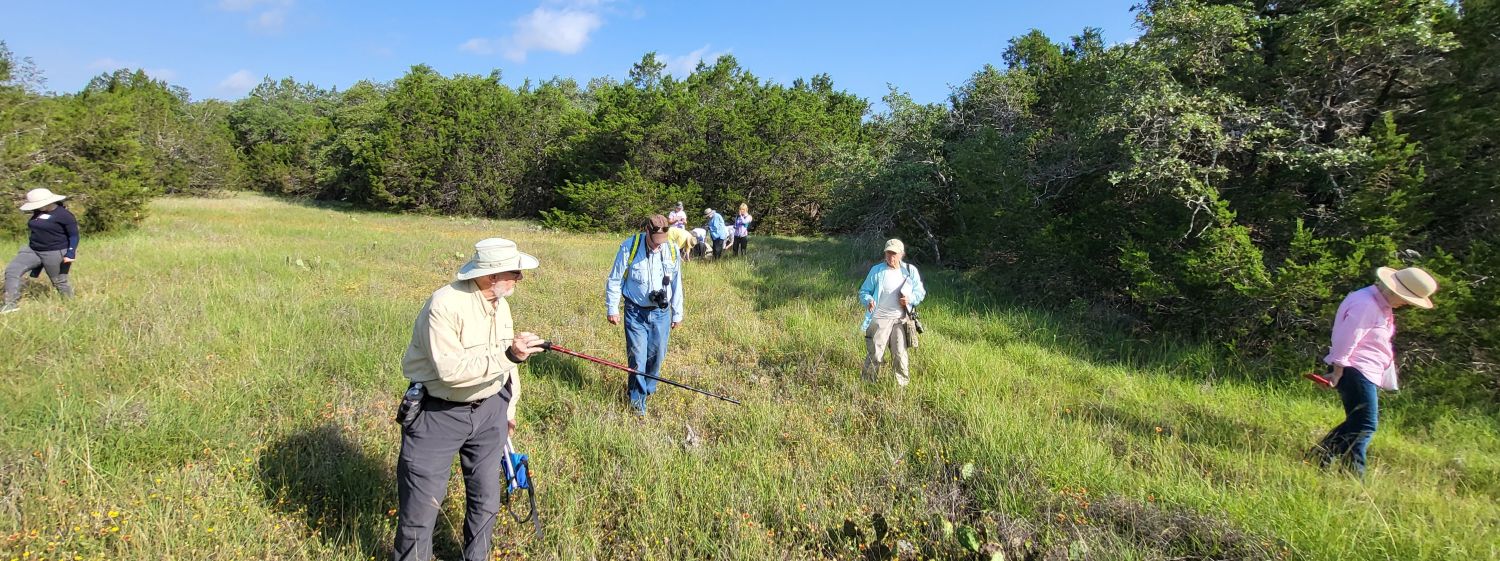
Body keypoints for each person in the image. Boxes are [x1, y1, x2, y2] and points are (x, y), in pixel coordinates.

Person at [394, 237, 546, 561]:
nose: (520, 278)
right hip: (437, 415)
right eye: (515, 272)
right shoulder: (444, 305)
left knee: (486, 502)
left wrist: (509, 407)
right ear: (491, 275)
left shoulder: (500, 303)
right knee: (420, 511)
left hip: (491, 413)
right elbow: (451, 372)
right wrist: (510, 355)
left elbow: (508, 366)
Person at [1313, 266, 1437, 478]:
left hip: (1363, 370)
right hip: (1354, 370)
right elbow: (1346, 338)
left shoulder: (1380, 304)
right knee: (1365, 424)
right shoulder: (1365, 304)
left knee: (1359, 423)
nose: (1406, 304)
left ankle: (1321, 458)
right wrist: (1337, 371)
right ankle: (1352, 475)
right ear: (1394, 290)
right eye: (1407, 299)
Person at [605, 215, 684, 415]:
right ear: (647, 232)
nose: (659, 246)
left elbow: (677, 283)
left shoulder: (672, 250)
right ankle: (637, 402)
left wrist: (677, 313)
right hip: (635, 312)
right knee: (637, 358)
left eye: (662, 242)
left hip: (661, 313)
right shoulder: (629, 247)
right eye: (656, 241)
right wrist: (612, 308)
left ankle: (648, 390)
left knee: (656, 357)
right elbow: (615, 279)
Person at [857, 239, 926, 386]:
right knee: (875, 353)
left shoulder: (909, 270)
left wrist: (910, 299)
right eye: (888, 253)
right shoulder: (877, 270)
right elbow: (864, 291)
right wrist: (868, 300)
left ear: (901, 254)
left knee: (900, 355)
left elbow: (920, 292)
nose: (890, 256)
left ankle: (901, 386)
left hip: (901, 320)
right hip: (879, 319)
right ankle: (868, 384)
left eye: (894, 253)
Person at [3, 188, 78, 314]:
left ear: (49, 202)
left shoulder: (64, 215)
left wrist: (70, 252)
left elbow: (74, 235)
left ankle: (71, 306)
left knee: (59, 281)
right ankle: (10, 305)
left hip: (55, 251)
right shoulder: (38, 212)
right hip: (33, 249)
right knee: (12, 271)